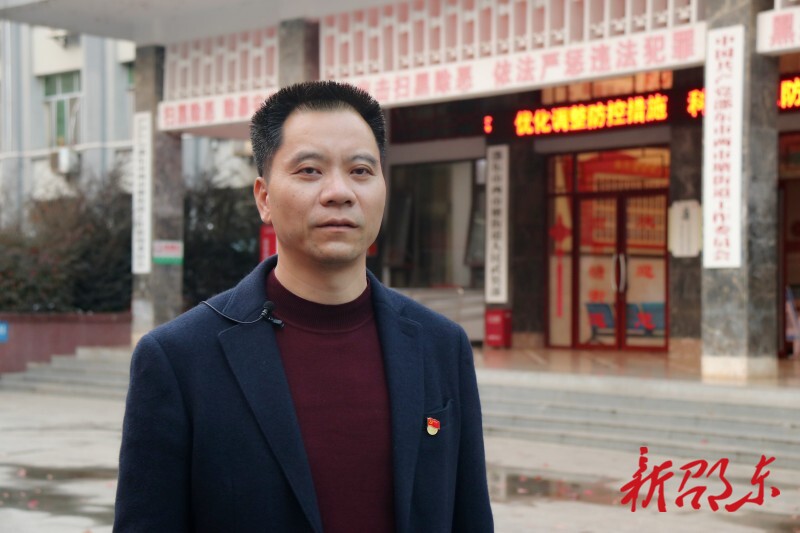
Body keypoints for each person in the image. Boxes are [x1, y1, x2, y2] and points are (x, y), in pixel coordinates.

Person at [114, 81, 494, 533]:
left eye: (361, 170)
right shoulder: (179, 359)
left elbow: (470, 515)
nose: (340, 192)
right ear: (264, 197)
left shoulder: (441, 346)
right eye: (310, 170)